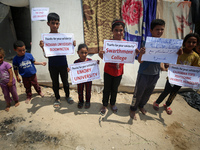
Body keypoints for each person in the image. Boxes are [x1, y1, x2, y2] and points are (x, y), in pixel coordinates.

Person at [153, 33, 200, 115]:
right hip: (172, 77)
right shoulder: (177, 51)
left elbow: (196, 69)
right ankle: (157, 102)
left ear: (196, 44)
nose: (191, 44)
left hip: (182, 80)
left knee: (174, 93)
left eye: (194, 42)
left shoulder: (196, 57)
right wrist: (167, 64)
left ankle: (167, 105)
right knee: (166, 91)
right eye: (189, 42)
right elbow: (169, 60)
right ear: (184, 42)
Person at [99, 19, 139, 115]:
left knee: (115, 89)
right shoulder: (108, 44)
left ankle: (112, 104)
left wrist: (135, 53)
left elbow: (129, 57)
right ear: (112, 31)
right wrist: (101, 54)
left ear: (123, 31)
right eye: (116, 30)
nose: (118, 32)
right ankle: (104, 104)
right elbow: (103, 57)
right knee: (106, 89)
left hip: (119, 72)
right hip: (108, 70)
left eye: (121, 30)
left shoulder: (127, 44)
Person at [129, 19, 167, 120]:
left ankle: (141, 105)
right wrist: (141, 53)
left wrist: (163, 66)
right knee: (138, 92)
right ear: (151, 30)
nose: (159, 31)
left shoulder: (164, 44)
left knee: (148, 92)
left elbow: (162, 59)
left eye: (162, 29)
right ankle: (133, 108)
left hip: (155, 74)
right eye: (157, 29)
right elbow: (140, 61)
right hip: (144, 73)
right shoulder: (145, 42)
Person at [39, 12, 76, 108]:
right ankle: (57, 98)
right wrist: (43, 48)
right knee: (55, 83)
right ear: (48, 24)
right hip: (52, 65)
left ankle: (67, 96)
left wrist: (72, 45)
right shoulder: (46, 39)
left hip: (63, 64)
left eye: (56, 23)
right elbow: (47, 56)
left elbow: (68, 52)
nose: (55, 25)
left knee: (66, 82)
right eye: (52, 23)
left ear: (59, 24)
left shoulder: (64, 37)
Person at [74, 44, 93, 109]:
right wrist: (70, 69)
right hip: (80, 80)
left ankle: (88, 101)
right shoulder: (76, 62)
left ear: (88, 52)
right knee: (80, 90)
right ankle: (81, 101)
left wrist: (96, 63)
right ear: (78, 53)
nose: (84, 54)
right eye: (81, 52)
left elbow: (93, 68)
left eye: (85, 52)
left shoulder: (90, 61)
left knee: (88, 90)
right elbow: (74, 71)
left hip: (88, 79)